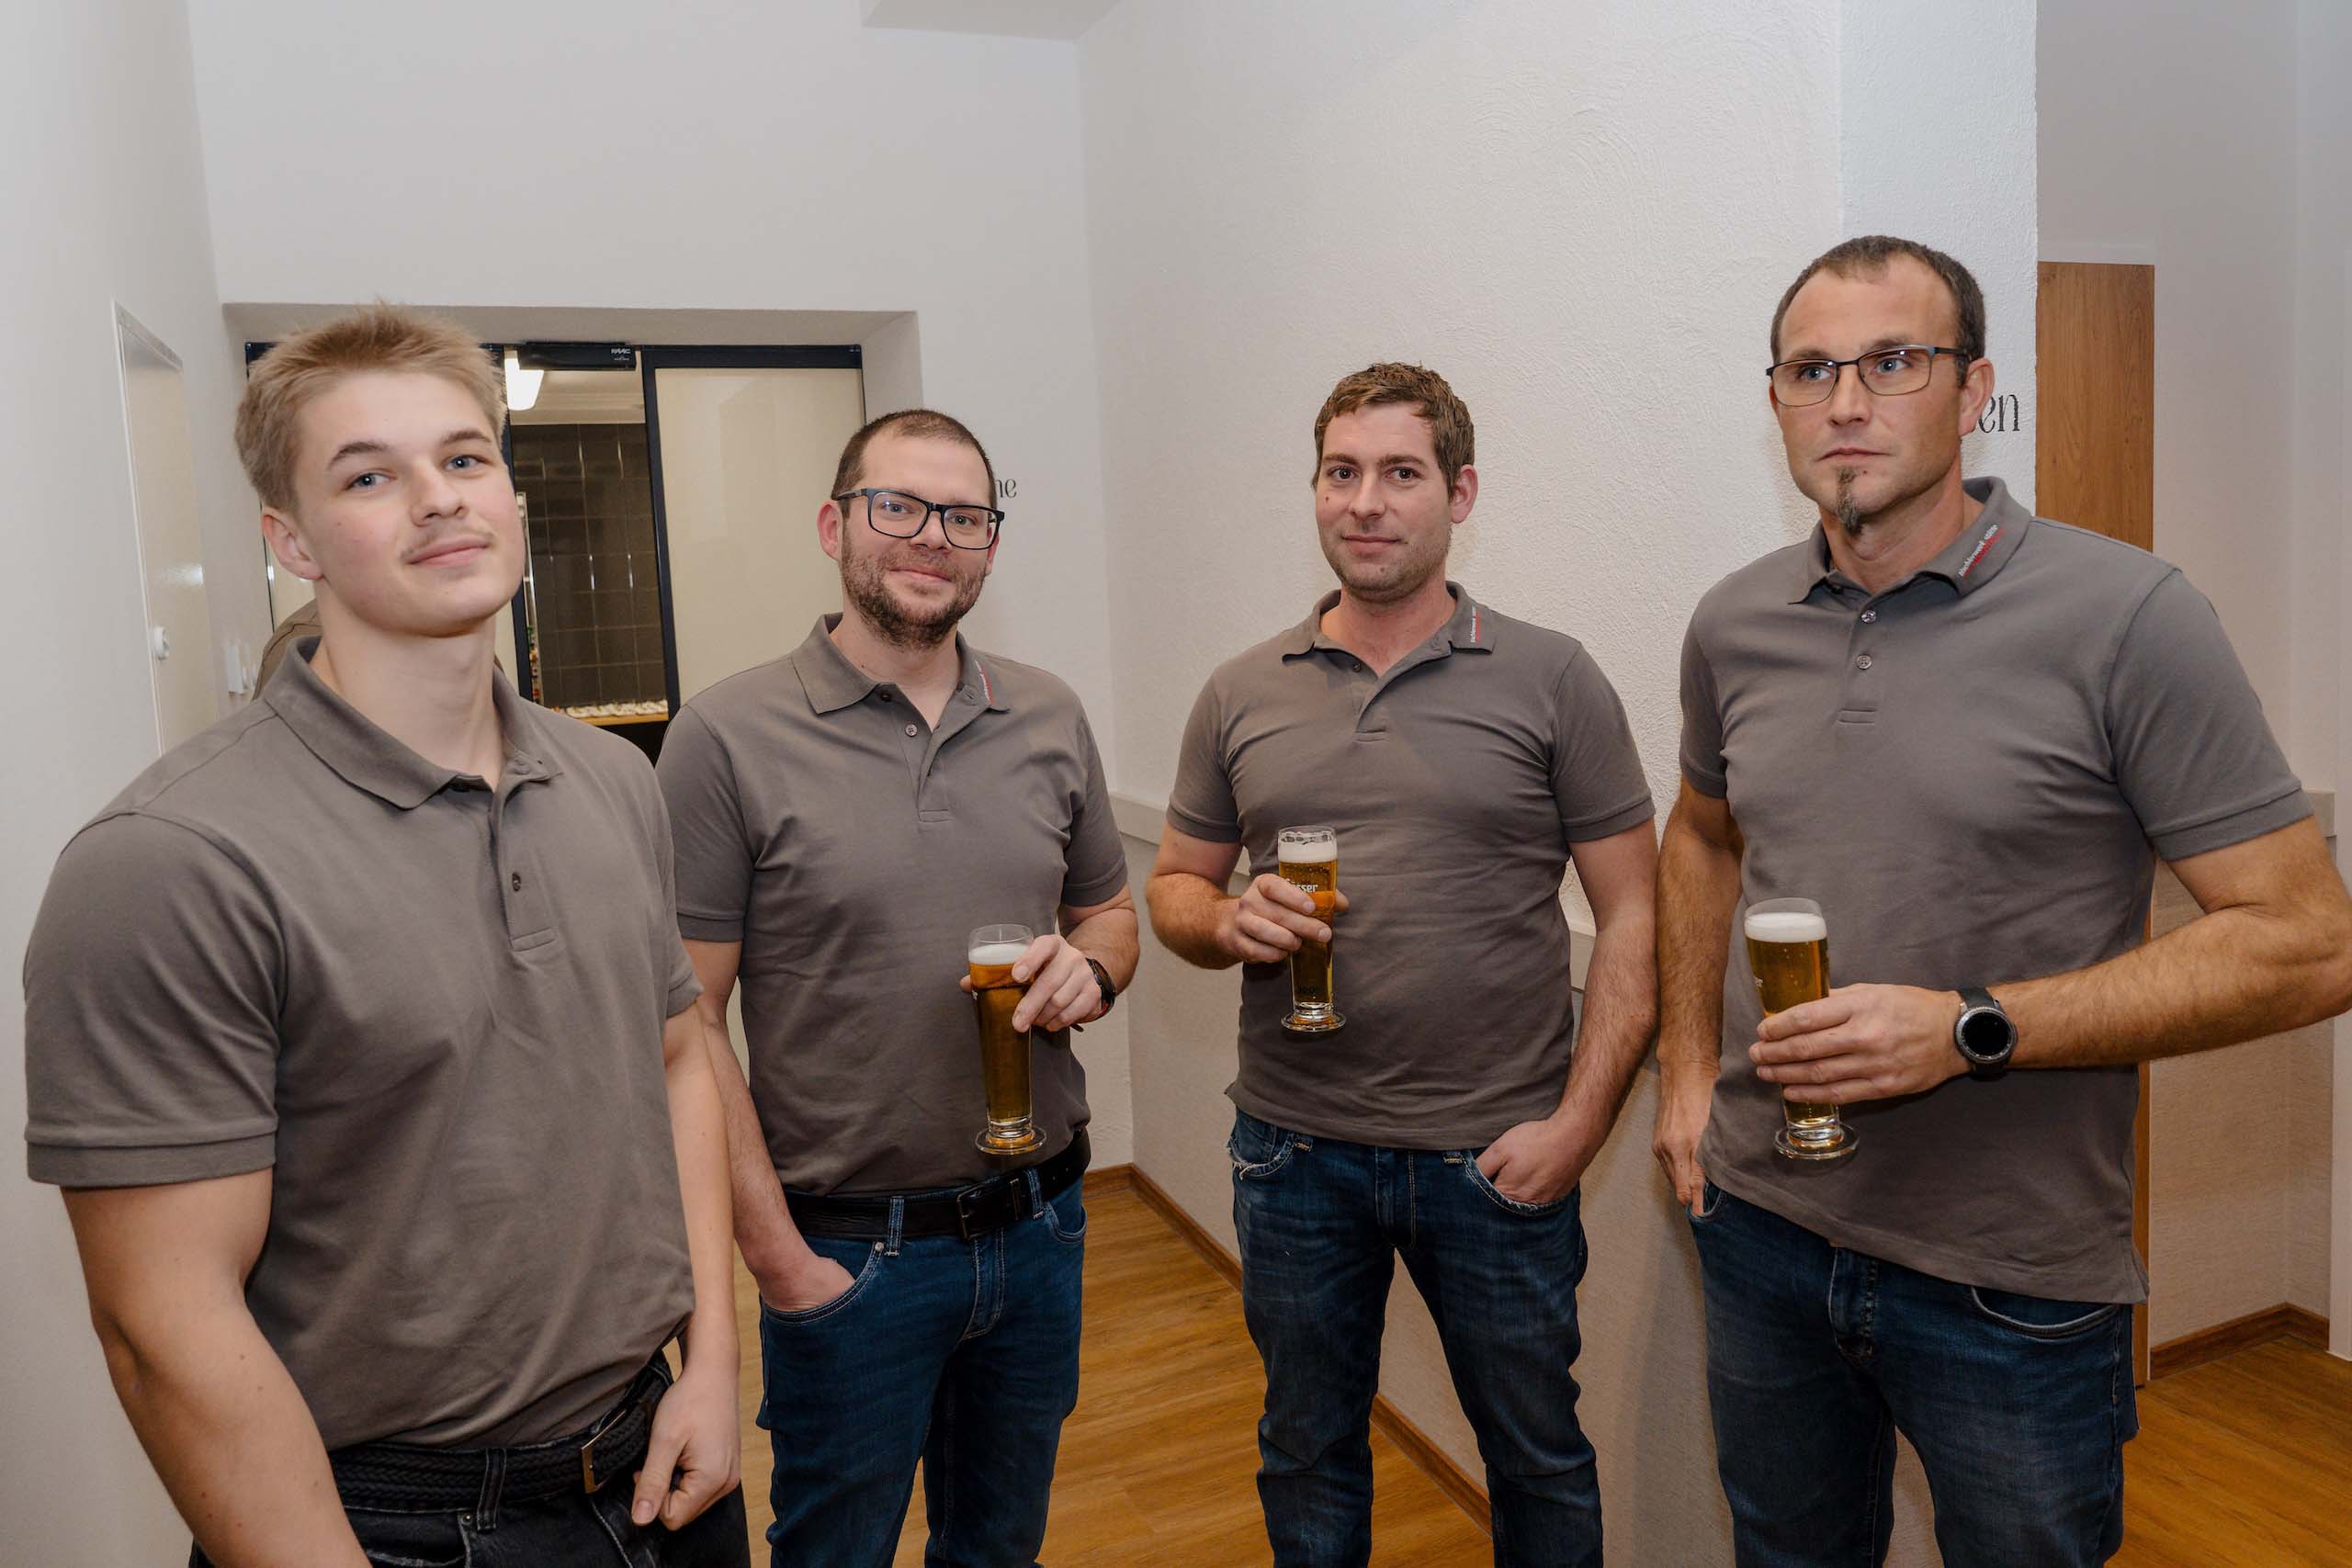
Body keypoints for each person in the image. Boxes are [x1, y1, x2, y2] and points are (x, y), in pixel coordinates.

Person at [1654, 235, 2352, 1567]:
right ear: (1777, 402)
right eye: (1812, 369)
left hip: (2011, 1278)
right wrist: (1687, 1068)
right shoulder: (1733, 621)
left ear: (1974, 391)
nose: (1847, 401)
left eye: (1892, 361)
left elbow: (2312, 943)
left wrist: (1971, 1025)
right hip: (1761, 1232)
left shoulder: (2130, 614)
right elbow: (1698, 835)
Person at [22, 304, 747, 1567]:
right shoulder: (172, 861)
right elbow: (160, 1322)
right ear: (290, 538)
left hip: (657, 1466)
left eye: (466, 458)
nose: (439, 500)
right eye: (371, 474)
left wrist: (714, 1362)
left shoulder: (613, 779)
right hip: (388, 1521)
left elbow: (680, 1064)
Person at [1146, 363, 1657, 1568]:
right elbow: (1172, 885)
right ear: (1316, 488)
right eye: (1341, 471)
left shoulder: (1553, 676)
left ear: (1460, 490)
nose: (1364, 501)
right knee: (1306, 1443)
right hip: (1293, 1151)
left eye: (1400, 472)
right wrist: (1220, 923)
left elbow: (1634, 915)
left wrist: (1580, 1125)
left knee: (1534, 1454)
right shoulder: (1239, 690)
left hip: (1496, 1157)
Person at [656, 407, 1136, 1566]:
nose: (932, 537)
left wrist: (1096, 971)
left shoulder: (1050, 714)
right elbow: (685, 1022)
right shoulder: (725, 736)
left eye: (964, 515)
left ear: (990, 543)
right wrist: (777, 1259)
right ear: (835, 525)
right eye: (898, 507)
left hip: (1038, 1232)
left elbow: (1111, 915)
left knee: (998, 1549)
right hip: (847, 1255)